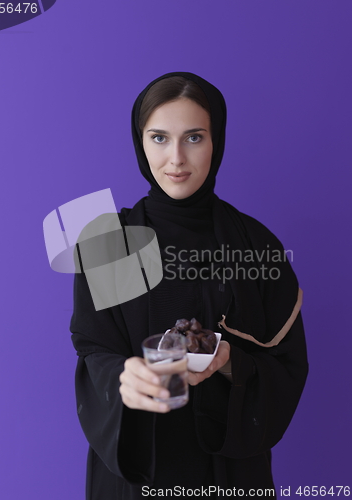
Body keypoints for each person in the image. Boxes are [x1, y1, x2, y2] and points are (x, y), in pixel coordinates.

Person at [70, 72, 308, 500]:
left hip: (230, 477)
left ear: (216, 142)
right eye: (159, 138)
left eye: (194, 138)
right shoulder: (108, 242)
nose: (176, 159)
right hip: (135, 479)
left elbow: (288, 366)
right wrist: (124, 376)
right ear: (140, 143)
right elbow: (94, 350)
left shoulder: (257, 245)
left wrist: (231, 361)